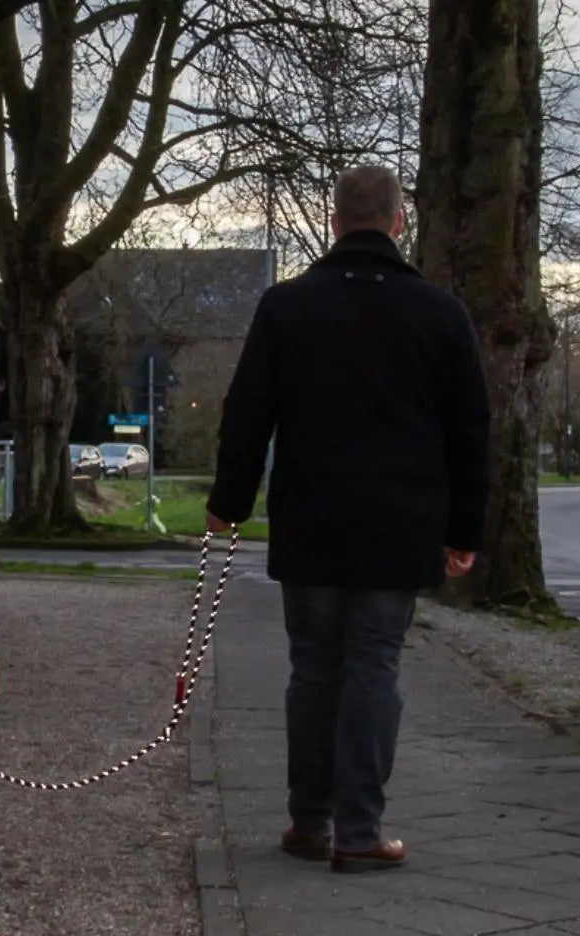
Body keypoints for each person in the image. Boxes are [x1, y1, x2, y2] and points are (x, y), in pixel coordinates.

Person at [205, 165, 491, 873]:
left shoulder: (287, 308)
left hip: (311, 520)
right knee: (374, 666)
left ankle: (309, 820)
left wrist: (228, 504)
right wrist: (465, 531)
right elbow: (470, 432)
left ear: (335, 223)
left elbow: (247, 416)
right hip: (400, 526)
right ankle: (361, 831)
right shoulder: (441, 314)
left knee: (312, 669)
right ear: (399, 222)